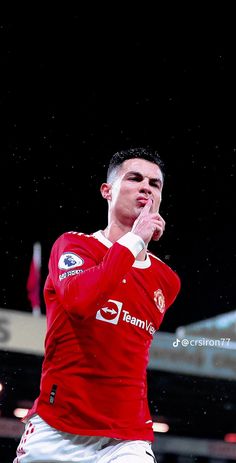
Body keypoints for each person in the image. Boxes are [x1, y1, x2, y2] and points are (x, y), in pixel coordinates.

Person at [14, 147, 181, 462]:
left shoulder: (166, 280)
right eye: (135, 178)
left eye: (155, 184)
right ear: (107, 191)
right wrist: (134, 240)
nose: (146, 187)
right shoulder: (74, 246)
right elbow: (80, 303)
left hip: (126, 438)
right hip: (56, 430)